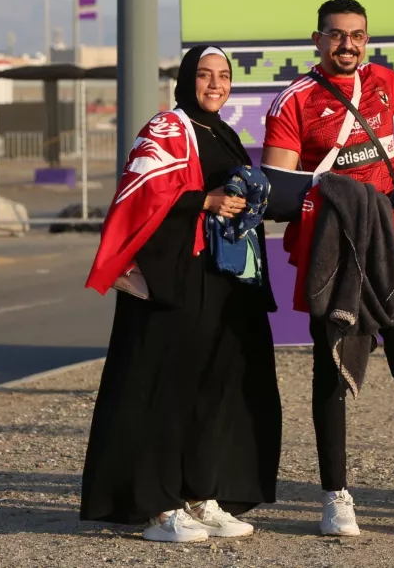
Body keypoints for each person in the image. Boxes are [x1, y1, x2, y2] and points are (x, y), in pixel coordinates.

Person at [261, 0, 394, 539]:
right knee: (331, 377)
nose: (347, 44)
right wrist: (334, 194)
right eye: (336, 35)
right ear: (317, 40)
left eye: (356, 35)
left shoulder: (380, 81)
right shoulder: (294, 101)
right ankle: (335, 498)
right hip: (336, 264)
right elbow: (277, 192)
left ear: (366, 38)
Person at [81, 46, 282, 543]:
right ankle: (157, 505)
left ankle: (199, 492)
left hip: (220, 282)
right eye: (205, 75)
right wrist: (205, 199)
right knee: (162, 393)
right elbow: (140, 192)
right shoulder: (167, 127)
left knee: (213, 390)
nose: (215, 84)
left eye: (223, 76)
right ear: (186, 79)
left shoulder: (224, 132)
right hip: (172, 281)